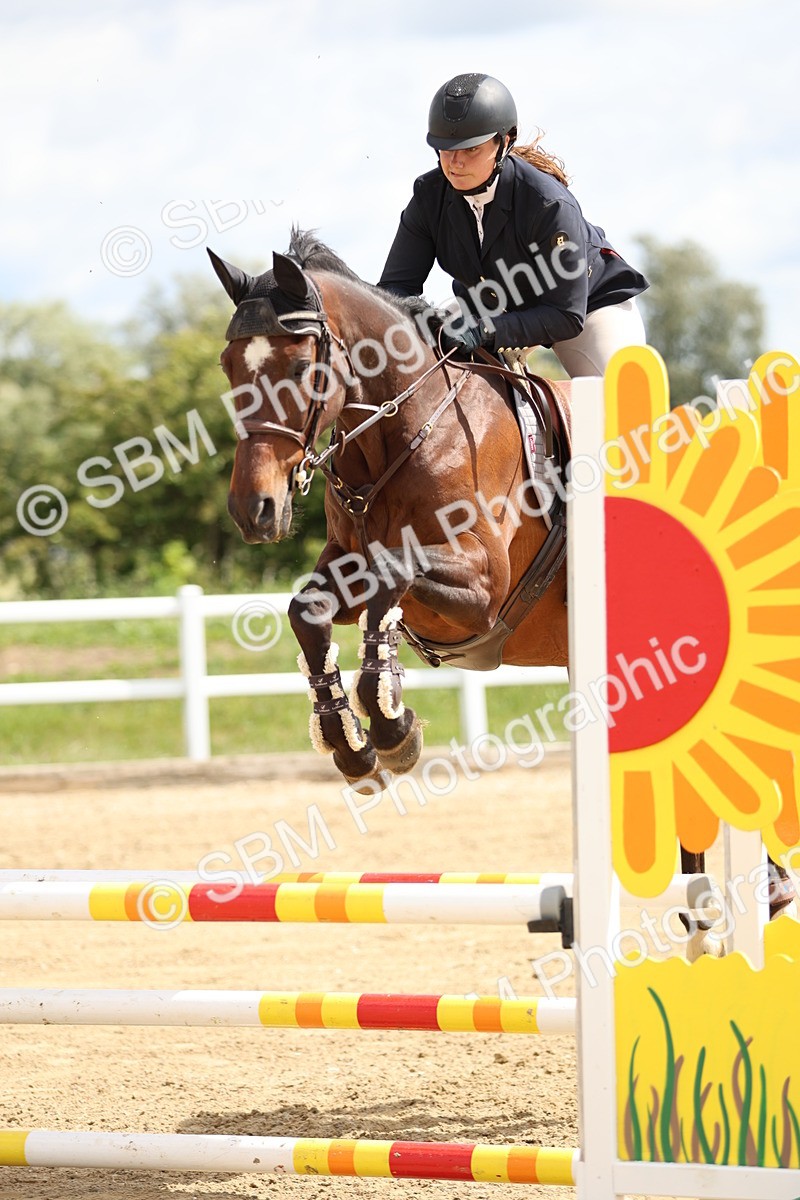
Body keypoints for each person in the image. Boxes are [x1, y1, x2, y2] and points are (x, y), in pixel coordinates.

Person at [378, 73, 649, 377]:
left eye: (471, 149)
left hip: (588, 307)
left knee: (611, 398)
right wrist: (428, 321)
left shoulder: (548, 204)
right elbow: (394, 290)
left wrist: (485, 331)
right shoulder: (429, 197)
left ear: (505, 141)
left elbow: (565, 314)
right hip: (492, 307)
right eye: (446, 148)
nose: (455, 163)